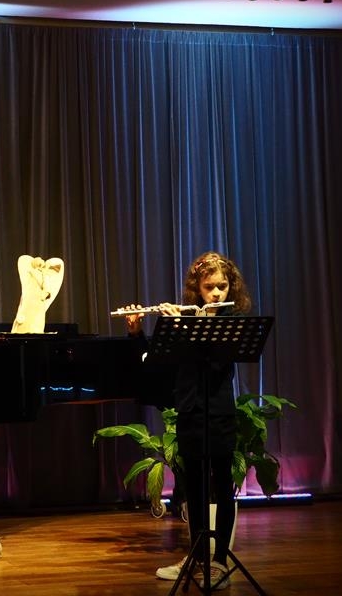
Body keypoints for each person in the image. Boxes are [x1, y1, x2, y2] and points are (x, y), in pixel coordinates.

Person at [122, 250, 252, 591]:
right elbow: (156, 365)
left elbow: (215, 364)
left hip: (219, 413)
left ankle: (220, 560)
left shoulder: (231, 322)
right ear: (197, 289)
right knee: (192, 488)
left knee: (221, 487)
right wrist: (138, 334)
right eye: (209, 288)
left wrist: (183, 326)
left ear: (231, 288)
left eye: (222, 287)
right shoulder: (187, 318)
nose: (217, 294)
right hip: (190, 413)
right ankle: (196, 556)